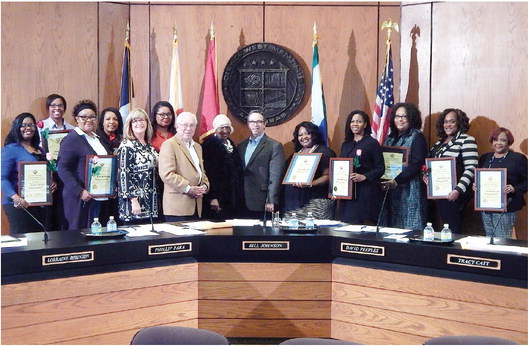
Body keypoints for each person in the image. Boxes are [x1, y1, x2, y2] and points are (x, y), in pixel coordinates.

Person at [57, 100, 112, 230]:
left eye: (92, 117)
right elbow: (63, 168)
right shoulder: (72, 139)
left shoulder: (97, 138)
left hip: (100, 196)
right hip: (80, 198)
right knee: (81, 237)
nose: (89, 120)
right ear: (76, 119)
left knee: (99, 236)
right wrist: (79, 191)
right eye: (84, 117)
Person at [424, 108, 478, 234]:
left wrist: (457, 190)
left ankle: (453, 253)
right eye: (445, 122)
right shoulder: (439, 143)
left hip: (455, 195)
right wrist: (426, 176)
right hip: (439, 194)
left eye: (452, 121)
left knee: (453, 229)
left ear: (459, 123)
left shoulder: (467, 139)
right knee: (443, 227)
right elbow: (429, 165)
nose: (448, 125)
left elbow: (471, 168)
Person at [1, 113, 56, 235]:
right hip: (18, 204)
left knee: (38, 241)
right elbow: (2, 178)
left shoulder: (39, 149)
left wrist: (51, 182)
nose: (28, 128)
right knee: (22, 242)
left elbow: (45, 171)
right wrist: (16, 198)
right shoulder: (10, 149)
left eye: (31, 125)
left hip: (40, 203)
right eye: (24, 125)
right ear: (17, 127)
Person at [380, 103, 428, 230]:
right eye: (397, 116)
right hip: (390, 188)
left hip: (409, 188)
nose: (400, 119)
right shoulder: (390, 138)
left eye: (404, 116)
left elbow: (417, 164)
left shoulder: (417, 137)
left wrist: (397, 180)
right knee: (391, 227)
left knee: (409, 226)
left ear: (411, 118)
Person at [476, 128, 527, 238]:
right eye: (495, 140)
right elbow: (479, 177)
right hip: (486, 206)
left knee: (502, 239)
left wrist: (514, 188)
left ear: (508, 142)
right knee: (489, 239)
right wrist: (476, 185)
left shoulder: (517, 158)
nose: (498, 143)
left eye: (503, 140)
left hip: (507, 206)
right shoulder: (485, 158)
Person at [159, 112, 209, 222]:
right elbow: (167, 174)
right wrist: (188, 189)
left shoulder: (198, 147)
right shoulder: (169, 145)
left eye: (192, 125)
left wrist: (205, 186)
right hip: (177, 207)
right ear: (177, 126)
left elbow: (201, 172)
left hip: (197, 206)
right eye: (184, 125)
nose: (188, 128)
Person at [338, 110, 384, 224]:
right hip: (346, 194)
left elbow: (380, 168)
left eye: (359, 121)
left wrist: (364, 176)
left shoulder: (372, 143)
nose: (355, 124)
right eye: (352, 121)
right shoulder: (346, 144)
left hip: (364, 194)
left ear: (365, 124)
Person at [282, 121, 336, 219]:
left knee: (315, 231)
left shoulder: (325, 152)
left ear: (314, 134)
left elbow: (329, 176)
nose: (304, 137)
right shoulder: (295, 155)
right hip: (293, 204)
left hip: (316, 204)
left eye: (307, 133)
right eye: (300, 135)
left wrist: (311, 183)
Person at [237, 110, 285, 218]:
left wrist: (271, 200)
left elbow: (276, 176)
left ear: (265, 124)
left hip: (262, 200)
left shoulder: (274, 146)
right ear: (248, 124)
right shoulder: (241, 146)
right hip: (241, 199)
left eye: (259, 121)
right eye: (252, 122)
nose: (255, 124)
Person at [117, 108, 159, 224]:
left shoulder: (149, 146)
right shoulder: (126, 145)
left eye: (141, 120)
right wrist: (133, 201)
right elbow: (123, 176)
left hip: (151, 201)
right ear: (129, 125)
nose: (139, 123)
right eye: (135, 121)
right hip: (134, 205)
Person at [202, 114, 244, 221]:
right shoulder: (209, 145)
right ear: (216, 129)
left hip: (232, 197)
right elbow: (208, 174)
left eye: (227, 127)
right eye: (221, 128)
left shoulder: (231, 144)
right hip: (218, 198)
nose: (225, 131)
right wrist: (212, 197)